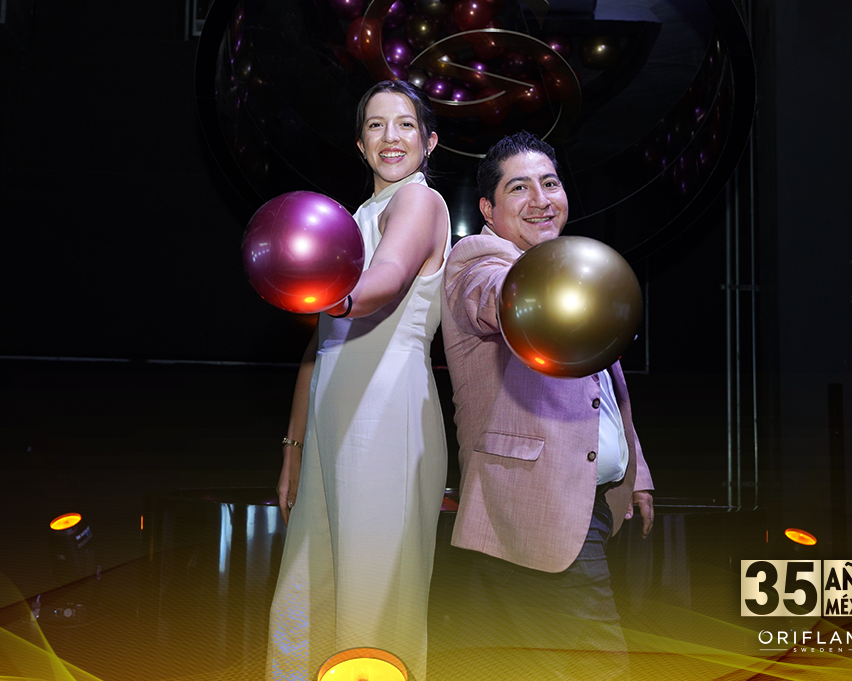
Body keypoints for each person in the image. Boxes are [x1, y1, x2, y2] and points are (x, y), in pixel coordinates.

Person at [439, 131, 654, 679]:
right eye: (519, 188)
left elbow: (601, 393)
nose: (540, 199)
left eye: (550, 183)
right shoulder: (478, 259)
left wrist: (636, 473)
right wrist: (541, 284)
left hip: (588, 506)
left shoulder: (567, 271)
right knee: (599, 668)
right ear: (488, 209)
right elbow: (492, 296)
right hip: (535, 510)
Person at [266, 81, 451, 681]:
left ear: (429, 142)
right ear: (359, 143)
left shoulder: (419, 201)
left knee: (373, 607)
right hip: (330, 425)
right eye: (375, 125)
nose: (390, 137)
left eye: (405, 124)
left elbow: (389, 276)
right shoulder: (352, 219)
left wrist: (335, 298)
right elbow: (318, 350)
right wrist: (295, 448)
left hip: (388, 412)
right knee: (309, 594)